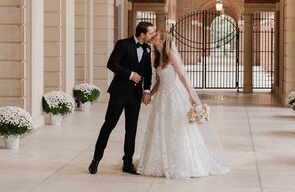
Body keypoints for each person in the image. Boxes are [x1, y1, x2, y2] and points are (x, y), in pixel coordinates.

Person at [137, 30, 229, 179]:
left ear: (163, 40)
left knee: (176, 128)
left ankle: (179, 162)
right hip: (162, 98)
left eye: (156, 35)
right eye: (152, 35)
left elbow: (182, 76)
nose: (153, 36)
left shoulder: (171, 56)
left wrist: (192, 97)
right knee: (161, 128)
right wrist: (150, 94)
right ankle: (161, 161)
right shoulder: (157, 57)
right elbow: (160, 82)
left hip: (173, 97)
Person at [88, 21, 155, 175]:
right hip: (119, 92)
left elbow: (148, 72)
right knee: (109, 125)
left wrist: (146, 91)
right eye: (151, 33)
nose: (152, 35)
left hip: (135, 95)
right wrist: (130, 74)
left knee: (131, 129)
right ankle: (96, 159)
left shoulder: (147, 48)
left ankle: (127, 163)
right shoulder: (123, 44)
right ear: (142, 34)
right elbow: (111, 64)